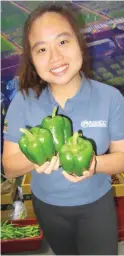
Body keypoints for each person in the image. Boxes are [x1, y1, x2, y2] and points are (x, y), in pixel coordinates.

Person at [2, 2, 124, 255]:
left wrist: (93, 165)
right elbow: (9, 167)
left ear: (79, 42)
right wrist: (36, 157)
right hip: (47, 206)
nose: (55, 57)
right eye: (42, 49)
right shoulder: (23, 100)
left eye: (63, 42)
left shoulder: (110, 97)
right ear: (32, 59)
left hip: (96, 206)